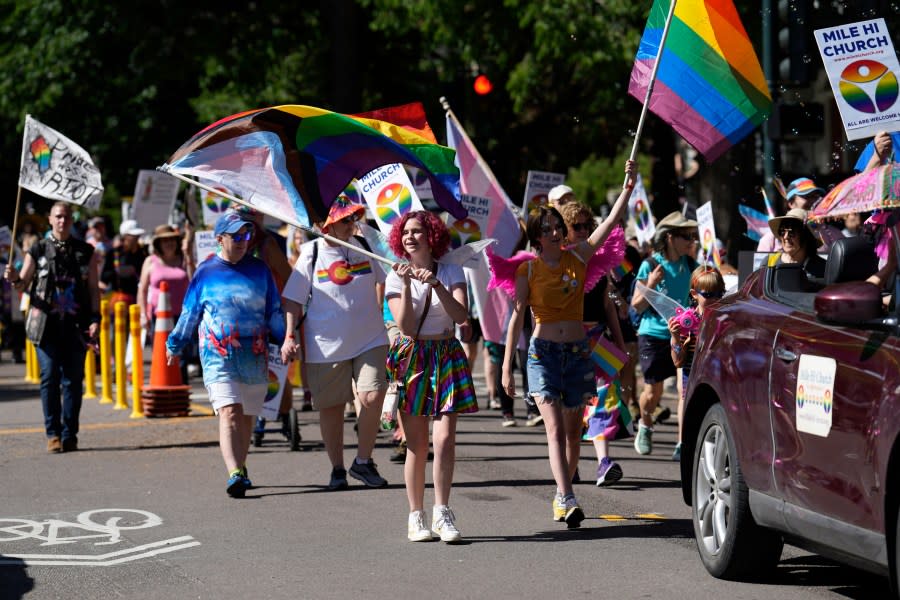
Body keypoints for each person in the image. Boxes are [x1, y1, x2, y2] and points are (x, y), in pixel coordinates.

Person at [502, 160, 636, 529]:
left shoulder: (579, 257)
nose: (557, 232)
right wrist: (505, 369)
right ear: (536, 238)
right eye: (548, 229)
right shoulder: (527, 270)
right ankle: (566, 495)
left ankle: (564, 491)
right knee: (555, 430)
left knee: (575, 432)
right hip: (543, 356)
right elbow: (517, 318)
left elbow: (607, 226)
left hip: (578, 353)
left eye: (559, 227)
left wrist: (628, 187)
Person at [166, 212, 285, 498]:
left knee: (246, 417)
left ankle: (240, 468)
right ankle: (233, 472)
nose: (243, 241)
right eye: (236, 236)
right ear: (220, 239)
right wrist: (175, 344)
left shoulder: (260, 269)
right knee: (229, 412)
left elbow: (274, 310)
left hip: (253, 354)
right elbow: (190, 313)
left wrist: (285, 339)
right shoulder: (206, 273)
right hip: (217, 354)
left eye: (247, 235)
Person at [280, 197, 389, 491]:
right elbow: (292, 300)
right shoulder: (310, 253)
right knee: (332, 408)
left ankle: (363, 461)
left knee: (371, 396)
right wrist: (290, 336)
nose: (351, 223)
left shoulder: (364, 246)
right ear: (326, 224)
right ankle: (337, 468)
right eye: (345, 220)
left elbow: (390, 278)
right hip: (325, 345)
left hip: (371, 337)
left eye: (353, 217)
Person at [384, 210, 477, 542]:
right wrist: (408, 284)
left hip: (447, 354)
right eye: (405, 232)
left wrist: (436, 284)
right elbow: (406, 327)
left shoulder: (451, 270)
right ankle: (415, 515)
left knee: (445, 439)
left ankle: (442, 512)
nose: (410, 237)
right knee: (418, 445)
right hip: (415, 358)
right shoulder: (395, 276)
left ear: (432, 236)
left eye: (417, 231)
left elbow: (462, 315)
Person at [4, 201, 101, 453]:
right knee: (49, 377)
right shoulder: (38, 249)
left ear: (72, 220)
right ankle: (53, 434)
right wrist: (14, 277)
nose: (62, 221)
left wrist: (95, 319)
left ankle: (70, 434)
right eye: (58, 217)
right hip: (44, 325)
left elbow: (92, 289)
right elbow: (23, 283)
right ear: (50, 219)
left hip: (76, 325)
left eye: (66, 217)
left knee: (73, 381)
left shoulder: (85, 251)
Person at [559, 201, 629, 487]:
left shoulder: (599, 262)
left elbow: (607, 305)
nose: (584, 231)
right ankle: (569, 463)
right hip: (566, 343)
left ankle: (604, 462)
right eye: (577, 227)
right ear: (564, 230)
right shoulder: (556, 264)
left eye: (588, 226)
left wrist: (621, 346)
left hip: (599, 339)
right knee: (569, 408)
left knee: (605, 399)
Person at [630, 211, 698, 456]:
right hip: (654, 334)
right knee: (653, 391)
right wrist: (650, 284)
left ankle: (682, 443)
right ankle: (645, 425)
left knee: (684, 390)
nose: (692, 240)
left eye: (693, 235)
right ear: (670, 237)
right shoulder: (650, 265)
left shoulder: (691, 265)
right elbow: (636, 305)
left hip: (684, 335)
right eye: (686, 236)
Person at [668, 266, 725, 461]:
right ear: (694, 294)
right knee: (692, 411)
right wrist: (675, 338)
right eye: (708, 294)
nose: (715, 299)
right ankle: (686, 446)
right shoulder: (686, 322)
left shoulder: (724, 318)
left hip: (715, 374)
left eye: (720, 293)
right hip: (691, 373)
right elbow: (678, 361)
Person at [138, 225, 192, 378]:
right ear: (158, 244)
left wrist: (188, 256)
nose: (169, 243)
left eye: (171, 239)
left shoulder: (184, 258)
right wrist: (143, 314)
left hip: (182, 317)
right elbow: (142, 289)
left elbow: (194, 280)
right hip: (159, 318)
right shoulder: (150, 261)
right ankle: (164, 386)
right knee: (162, 355)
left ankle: (181, 389)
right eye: (164, 240)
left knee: (182, 357)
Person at [757, 178, 824, 252]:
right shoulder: (770, 240)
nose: (812, 201)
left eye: (815, 196)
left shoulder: (832, 234)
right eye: (807, 197)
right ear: (791, 203)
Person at [765, 208, 826, 280]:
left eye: (791, 232)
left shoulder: (823, 268)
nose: (785, 237)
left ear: (806, 235)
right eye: (782, 232)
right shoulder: (769, 262)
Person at [101, 219, 147, 308]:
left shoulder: (143, 253)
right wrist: (117, 272)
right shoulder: (114, 253)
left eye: (138, 235)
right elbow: (104, 277)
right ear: (124, 236)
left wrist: (135, 271)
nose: (136, 238)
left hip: (139, 299)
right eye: (133, 235)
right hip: (118, 301)